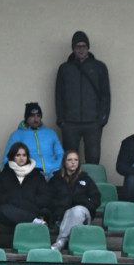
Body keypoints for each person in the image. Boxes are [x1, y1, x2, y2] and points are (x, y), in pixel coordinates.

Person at [55, 30, 110, 165]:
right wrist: (62, 119)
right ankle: (71, 185)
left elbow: (105, 95)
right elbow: (58, 96)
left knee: (93, 158)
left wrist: (102, 118)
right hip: (70, 122)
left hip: (93, 122)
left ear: (88, 48)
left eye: (84, 46)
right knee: (70, 160)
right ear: (73, 48)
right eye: (78, 46)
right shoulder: (65, 69)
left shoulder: (99, 67)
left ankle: (90, 185)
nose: (81, 49)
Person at [0, 142, 51, 231]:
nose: (21, 158)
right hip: (10, 211)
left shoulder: (37, 175)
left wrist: (31, 200)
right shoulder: (4, 175)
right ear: (12, 157)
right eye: (18, 155)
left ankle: (31, 220)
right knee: (3, 210)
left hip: (30, 208)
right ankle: (34, 221)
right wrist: (9, 199)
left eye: (24, 155)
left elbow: (46, 195)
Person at [48, 150, 101, 251]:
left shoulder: (86, 179)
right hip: (62, 217)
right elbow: (49, 200)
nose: (73, 162)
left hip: (83, 215)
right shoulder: (55, 180)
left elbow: (96, 199)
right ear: (64, 162)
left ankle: (61, 241)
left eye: (76, 160)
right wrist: (61, 207)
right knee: (70, 212)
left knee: (77, 210)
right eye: (70, 159)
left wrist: (83, 201)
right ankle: (72, 242)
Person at [4, 102, 64, 180]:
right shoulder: (17, 135)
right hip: (30, 175)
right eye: (32, 116)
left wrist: (55, 167)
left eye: (38, 116)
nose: (36, 120)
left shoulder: (51, 133)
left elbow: (61, 154)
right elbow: (7, 159)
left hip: (53, 173)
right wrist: (22, 171)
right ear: (26, 118)